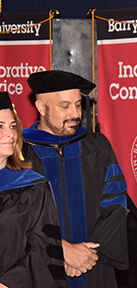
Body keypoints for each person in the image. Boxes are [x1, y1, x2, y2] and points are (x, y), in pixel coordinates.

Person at [21, 70, 129, 288]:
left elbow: (115, 203)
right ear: (41, 108)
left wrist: (86, 255)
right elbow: (17, 218)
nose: (75, 113)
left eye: (78, 104)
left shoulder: (97, 146)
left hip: (94, 265)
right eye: (65, 106)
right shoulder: (21, 154)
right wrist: (61, 250)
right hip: (40, 266)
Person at [0, 91, 66, 288]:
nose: (11, 133)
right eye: (0, 127)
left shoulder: (31, 187)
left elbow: (42, 250)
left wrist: (7, 283)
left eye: (13, 126)